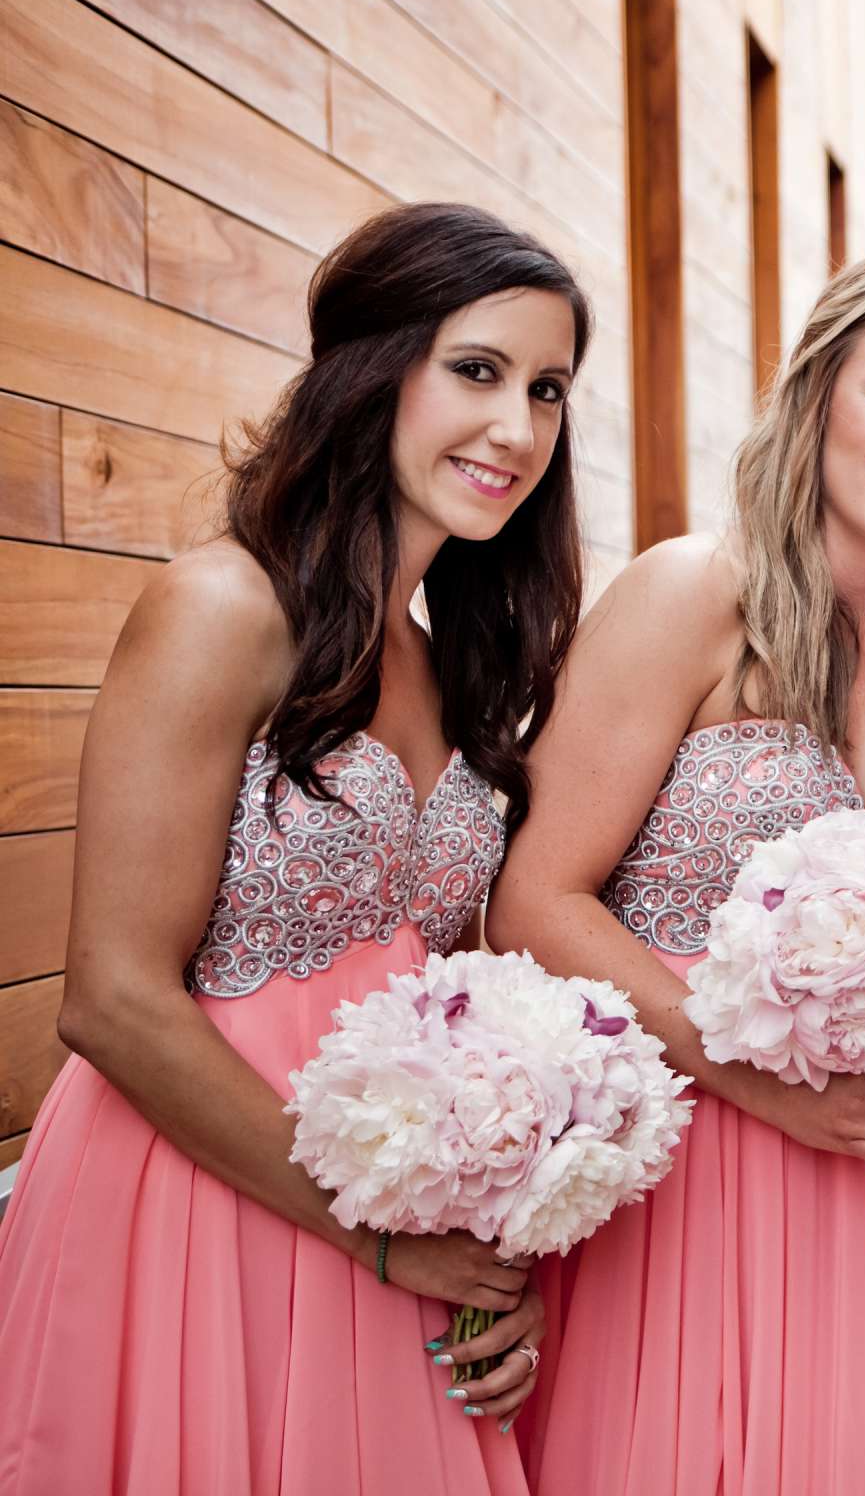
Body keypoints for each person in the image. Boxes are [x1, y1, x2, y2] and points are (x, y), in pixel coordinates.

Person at [0, 201, 588, 1494]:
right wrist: (379, 1239)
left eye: (547, 390)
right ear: (372, 369)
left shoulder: (445, 665)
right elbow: (109, 997)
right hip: (202, 1201)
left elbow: (460, 1007)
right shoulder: (220, 607)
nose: (518, 427)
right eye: (477, 371)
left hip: (394, 1224)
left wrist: (505, 1243)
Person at [488, 247, 865, 1495]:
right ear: (818, 394)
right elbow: (534, 896)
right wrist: (769, 1087)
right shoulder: (696, 589)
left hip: (858, 1197)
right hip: (685, 1165)